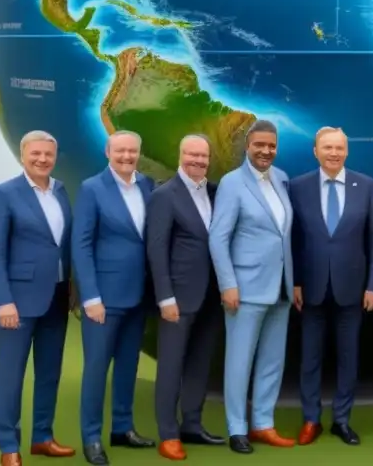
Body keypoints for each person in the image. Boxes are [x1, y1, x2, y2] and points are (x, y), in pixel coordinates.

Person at [0, 130, 75, 466]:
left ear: (55, 156)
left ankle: (43, 438)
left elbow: (62, 246)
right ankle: (9, 446)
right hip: (17, 302)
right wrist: (2, 301)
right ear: (23, 155)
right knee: (10, 376)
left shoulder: (61, 191)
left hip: (57, 298)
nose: (42, 159)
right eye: (35, 154)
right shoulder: (5, 194)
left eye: (48, 154)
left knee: (49, 373)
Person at [290, 126, 373, 447]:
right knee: (310, 358)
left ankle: (342, 420)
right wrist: (296, 282)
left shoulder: (366, 186)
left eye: (339, 148)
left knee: (348, 357)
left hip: (353, 289)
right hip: (311, 288)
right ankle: (311, 419)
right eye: (327, 147)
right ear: (315, 151)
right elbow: (294, 240)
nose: (333, 153)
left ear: (347, 151)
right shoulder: (298, 186)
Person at [209, 120, 297, 454]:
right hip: (244, 290)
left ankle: (263, 423)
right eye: (260, 145)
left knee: (272, 360)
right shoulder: (232, 183)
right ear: (248, 145)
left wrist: (293, 281)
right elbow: (218, 238)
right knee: (239, 361)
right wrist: (228, 284)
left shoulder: (281, 179)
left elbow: (283, 235)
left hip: (281, 288)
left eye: (271, 146)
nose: (266, 151)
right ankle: (237, 429)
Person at [72, 131, 157, 465]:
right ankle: (91, 437)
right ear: (108, 151)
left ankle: (123, 428)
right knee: (96, 369)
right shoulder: (92, 188)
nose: (127, 156)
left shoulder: (148, 186)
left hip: (138, 296)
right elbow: (81, 245)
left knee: (128, 366)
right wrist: (90, 295)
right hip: (103, 299)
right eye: (120, 150)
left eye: (132, 151)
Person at [145, 134, 226, 461]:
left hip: (211, 297)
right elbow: (156, 249)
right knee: (170, 365)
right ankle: (168, 433)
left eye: (203, 156)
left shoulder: (215, 192)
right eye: (192, 155)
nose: (198, 161)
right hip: (177, 298)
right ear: (181, 155)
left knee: (199, 363)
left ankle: (192, 424)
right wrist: (164, 297)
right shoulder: (165, 195)